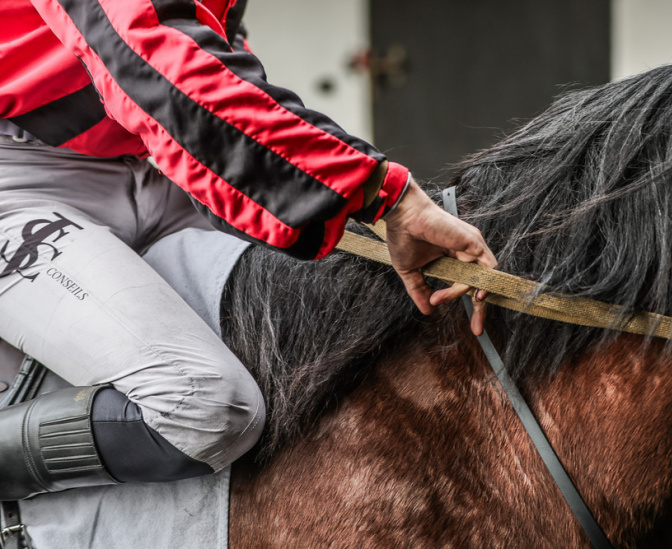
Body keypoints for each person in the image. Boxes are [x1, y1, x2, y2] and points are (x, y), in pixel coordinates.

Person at [0, 0, 496, 501]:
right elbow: (151, 55)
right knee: (203, 405)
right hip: (17, 175)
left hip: (145, 153)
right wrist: (380, 192)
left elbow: (209, 47)